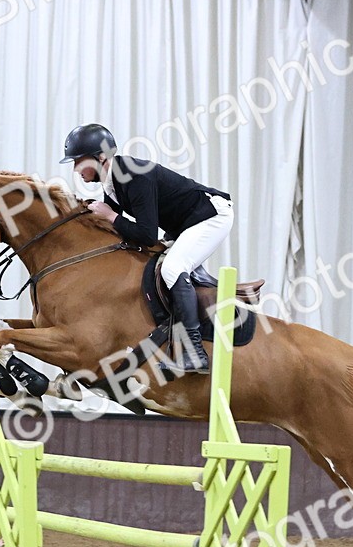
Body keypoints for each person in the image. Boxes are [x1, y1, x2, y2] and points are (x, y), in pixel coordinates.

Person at [62, 123, 233, 375]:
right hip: (185, 223)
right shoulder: (114, 180)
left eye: (78, 161)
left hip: (210, 216)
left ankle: (195, 353)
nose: (76, 169)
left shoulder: (133, 175)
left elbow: (146, 234)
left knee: (173, 269)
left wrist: (110, 216)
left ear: (100, 157)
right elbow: (115, 220)